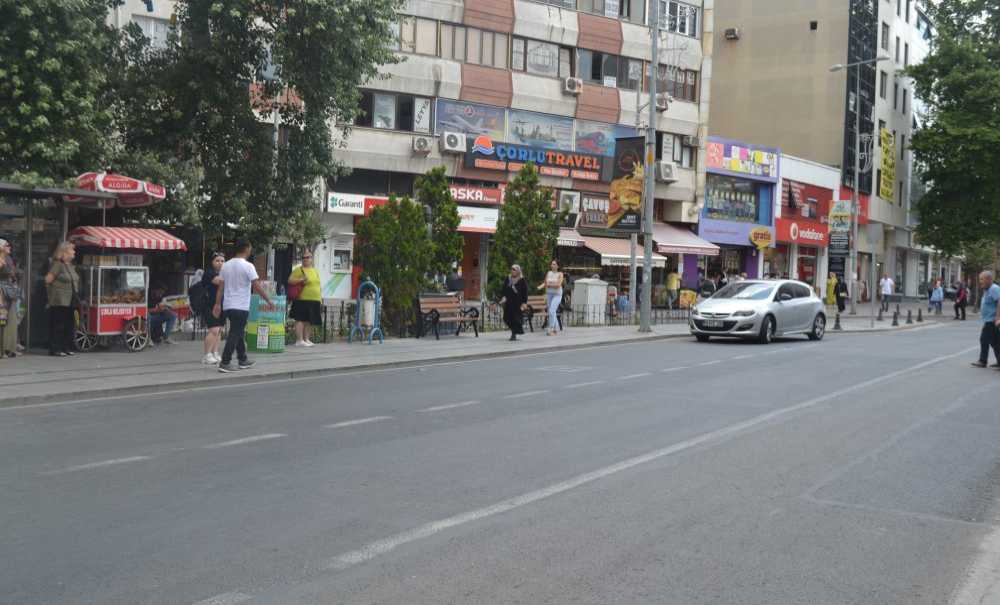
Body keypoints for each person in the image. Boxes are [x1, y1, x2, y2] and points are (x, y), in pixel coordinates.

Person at [212, 239, 273, 373]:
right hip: (241, 305)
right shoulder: (248, 266)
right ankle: (225, 362)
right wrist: (268, 300)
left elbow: (220, 288)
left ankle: (242, 359)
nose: (250, 250)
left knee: (237, 331)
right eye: (250, 248)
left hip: (228, 305)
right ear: (246, 249)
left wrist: (217, 304)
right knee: (235, 332)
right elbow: (256, 285)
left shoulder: (226, 265)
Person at [44, 241, 79, 357]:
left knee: (69, 324)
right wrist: (52, 295)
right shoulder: (57, 264)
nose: (74, 252)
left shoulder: (70, 265)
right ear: (64, 252)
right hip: (59, 300)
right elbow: (48, 280)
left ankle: (66, 347)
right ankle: (55, 348)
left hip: (71, 300)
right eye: (71, 250)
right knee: (59, 324)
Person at [288, 249, 322, 347]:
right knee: (300, 319)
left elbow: (318, 285)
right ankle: (299, 340)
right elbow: (290, 280)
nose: (305, 259)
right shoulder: (298, 270)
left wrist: (320, 298)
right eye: (303, 257)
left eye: (307, 257)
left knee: (310, 320)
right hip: (302, 299)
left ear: (311, 259)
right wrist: (301, 279)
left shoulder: (315, 271)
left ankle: (306, 339)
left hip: (314, 299)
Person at [199, 252, 226, 364]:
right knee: (213, 329)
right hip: (209, 304)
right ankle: (207, 354)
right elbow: (220, 282)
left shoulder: (223, 273)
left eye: (222, 261)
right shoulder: (209, 273)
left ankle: (215, 352)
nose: (220, 263)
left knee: (219, 330)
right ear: (212, 262)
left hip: (221, 304)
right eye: (217, 260)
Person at [971, 270, 1000, 369]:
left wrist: (998, 317)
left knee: (984, 339)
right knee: (995, 342)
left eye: (982, 279)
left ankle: (982, 361)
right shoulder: (988, 289)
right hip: (989, 320)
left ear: (989, 279)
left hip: (991, 320)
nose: (980, 282)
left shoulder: (994, 289)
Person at [0, 239, 20, 358]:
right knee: (2, 319)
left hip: (9, 291)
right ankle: (3, 349)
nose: (10, 247)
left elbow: (12, 274)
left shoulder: (8, 259)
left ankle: (9, 347)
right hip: (2, 292)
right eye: (7, 245)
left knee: (11, 319)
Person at [499, 264, 527, 341]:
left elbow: (525, 292)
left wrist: (524, 302)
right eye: (511, 269)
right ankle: (514, 331)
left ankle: (513, 334)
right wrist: (503, 297)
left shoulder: (521, 279)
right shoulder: (508, 278)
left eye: (514, 269)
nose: (512, 271)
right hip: (509, 302)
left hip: (518, 303)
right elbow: (504, 289)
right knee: (506, 318)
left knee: (515, 319)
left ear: (518, 271)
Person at [538, 259, 564, 336]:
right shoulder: (548, 273)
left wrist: (549, 284)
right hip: (549, 294)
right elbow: (545, 283)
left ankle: (551, 328)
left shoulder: (560, 274)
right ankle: (555, 329)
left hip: (557, 294)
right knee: (551, 311)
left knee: (552, 310)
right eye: (552, 264)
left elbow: (558, 285)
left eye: (554, 264)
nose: (552, 265)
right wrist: (543, 287)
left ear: (558, 266)